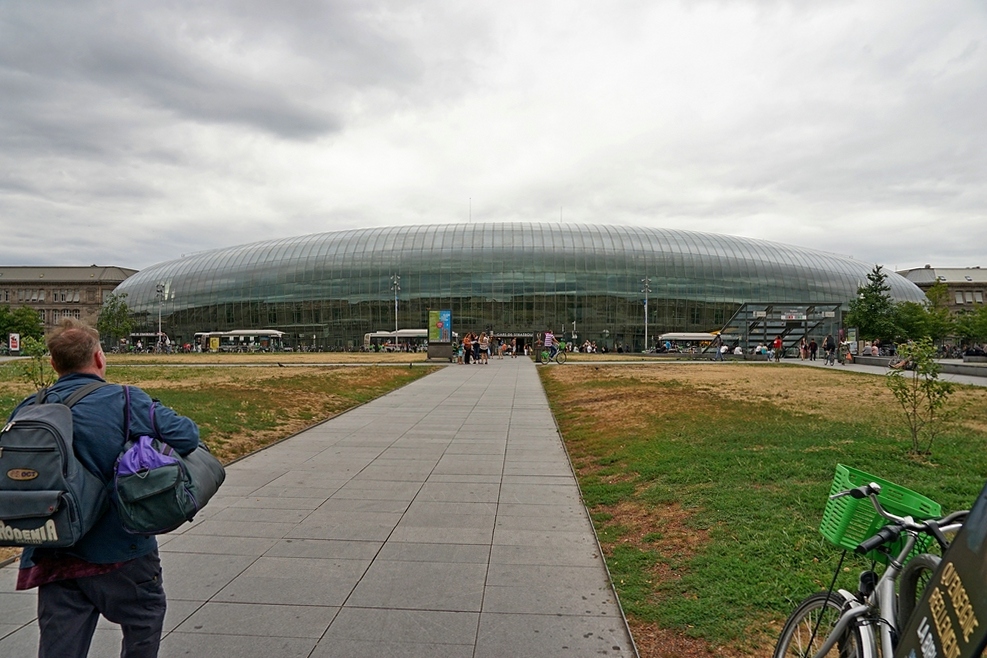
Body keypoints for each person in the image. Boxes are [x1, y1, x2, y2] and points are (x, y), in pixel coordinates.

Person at [9, 318, 200, 658]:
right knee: (144, 619)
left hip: (54, 547)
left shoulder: (28, 407)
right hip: (120, 548)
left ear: (53, 363)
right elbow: (187, 436)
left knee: (60, 646)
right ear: (99, 358)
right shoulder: (125, 399)